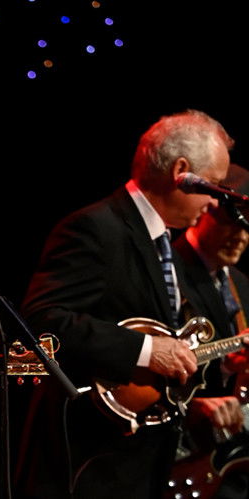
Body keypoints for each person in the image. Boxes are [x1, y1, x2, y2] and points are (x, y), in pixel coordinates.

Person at [16, 109, 232, 498]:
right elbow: (42, 321)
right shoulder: (95, 228)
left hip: (139, 462)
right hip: (88, 463)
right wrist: (148, 350)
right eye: (213, 186)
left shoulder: (163, 242)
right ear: (181, 172)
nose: (215, 202)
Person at [172, 163, 249, 498]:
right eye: (232, 221)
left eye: (248, 225)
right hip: (179, 451)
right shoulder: (169, 271)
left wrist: (234, 366)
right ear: (205, 210)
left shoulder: (241, 284)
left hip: (228, 458)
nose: (241, 236)